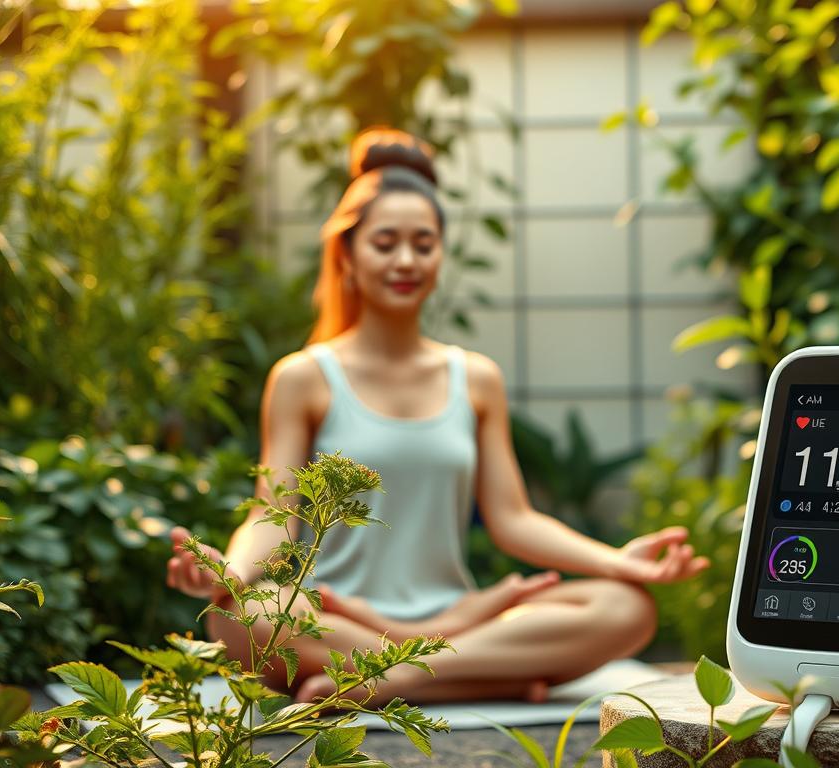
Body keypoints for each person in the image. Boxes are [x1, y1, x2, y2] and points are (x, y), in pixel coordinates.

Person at [164, 127, 709, 705]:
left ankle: (395, 677)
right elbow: (273, 517)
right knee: (240, 615)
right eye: (385, 243)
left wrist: (617, 561)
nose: (406, 260)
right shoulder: (303, 377)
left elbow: (513, 520)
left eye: (423, 244)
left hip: (457, 613)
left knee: (626, 607)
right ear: (347, 255)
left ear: (441, 255)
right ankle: (467, 673)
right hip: (339, 616)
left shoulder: (475, 378)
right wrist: (230, 573)